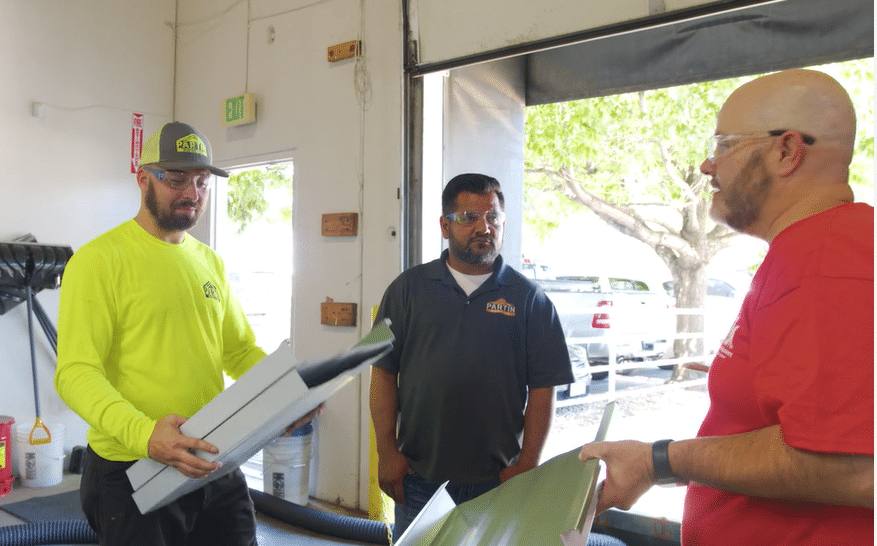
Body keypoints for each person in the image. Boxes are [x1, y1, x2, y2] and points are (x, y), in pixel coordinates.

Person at [579, 69, 874, 544]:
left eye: (724, 145)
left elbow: (855, 467)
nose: (707, 165)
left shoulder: (824, 263)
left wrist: (660, 460)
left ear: (787, 151)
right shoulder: (810, 251)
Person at [55, 121, 267, 546]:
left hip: (212, 459)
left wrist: (291, 387)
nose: (192, 192)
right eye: (176, 178)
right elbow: (75, 373)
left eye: (203, 181)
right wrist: (146, 435)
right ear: (142, 179)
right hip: (132, 468)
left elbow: (239, 350)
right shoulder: (99, 261)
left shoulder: (210, 262)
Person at [370, 173, 575, 538]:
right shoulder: (406, 290)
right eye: (469, 217)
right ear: (445, 225)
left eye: (493, 217)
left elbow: (544, 389)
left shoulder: (530, 300)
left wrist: (528, 462)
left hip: (497, 481)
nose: (484, 227)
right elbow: (383, 373)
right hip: (419, 479)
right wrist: (387, 452)